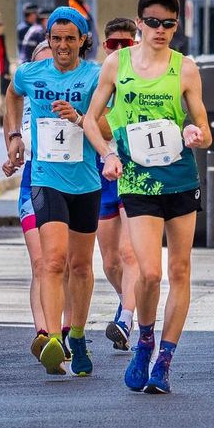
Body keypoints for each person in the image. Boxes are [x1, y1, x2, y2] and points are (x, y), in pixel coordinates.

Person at [82, 0, 211, 395]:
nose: (160, 30)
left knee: (180, 270)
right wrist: (107, 153)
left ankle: (165, 361)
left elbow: (205, 131)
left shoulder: (185, 68)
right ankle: (144, 342)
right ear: (139, 23)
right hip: (137, 181)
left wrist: (195, 133)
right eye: (152, 22)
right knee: (150, 273)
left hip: (179, 178)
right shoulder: (117, 63)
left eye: (168, 24)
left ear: (176, 26)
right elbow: (90, 119)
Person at [5, 7, 104, 375]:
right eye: (56, 38)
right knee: (52, 260)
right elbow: (12, 96)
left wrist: (80, 119)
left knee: (80, 265)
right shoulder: (30, 73)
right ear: (48, 40)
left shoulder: (95, 76)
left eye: (69, 39)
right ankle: (52, 338)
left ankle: (75, 334)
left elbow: (108, 127)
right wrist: (14, 136)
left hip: (86, 181)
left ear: (82, 41)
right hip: (45, 179)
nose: (62, 46)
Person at [3, 41, 62, 363]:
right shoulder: (26, 103)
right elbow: (10, 119)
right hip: (33, 184)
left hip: (71, 185)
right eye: (39, 65)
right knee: (42, 264)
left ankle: (65, 330)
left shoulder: (74, 94)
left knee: (62, 265)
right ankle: (43, 334)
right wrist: (13, 150)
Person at [97, 19, 141, 349]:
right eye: (114, 44)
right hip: (99, 174)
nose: (120, 49)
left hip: (134, 172)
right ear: (104, 47)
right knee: (111, 262)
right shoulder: (99, 79)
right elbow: (97, 125)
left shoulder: (143, 79)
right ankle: (128, 301)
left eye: (126, 43)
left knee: (129, 252)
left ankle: (126, 319)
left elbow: (105, 124)